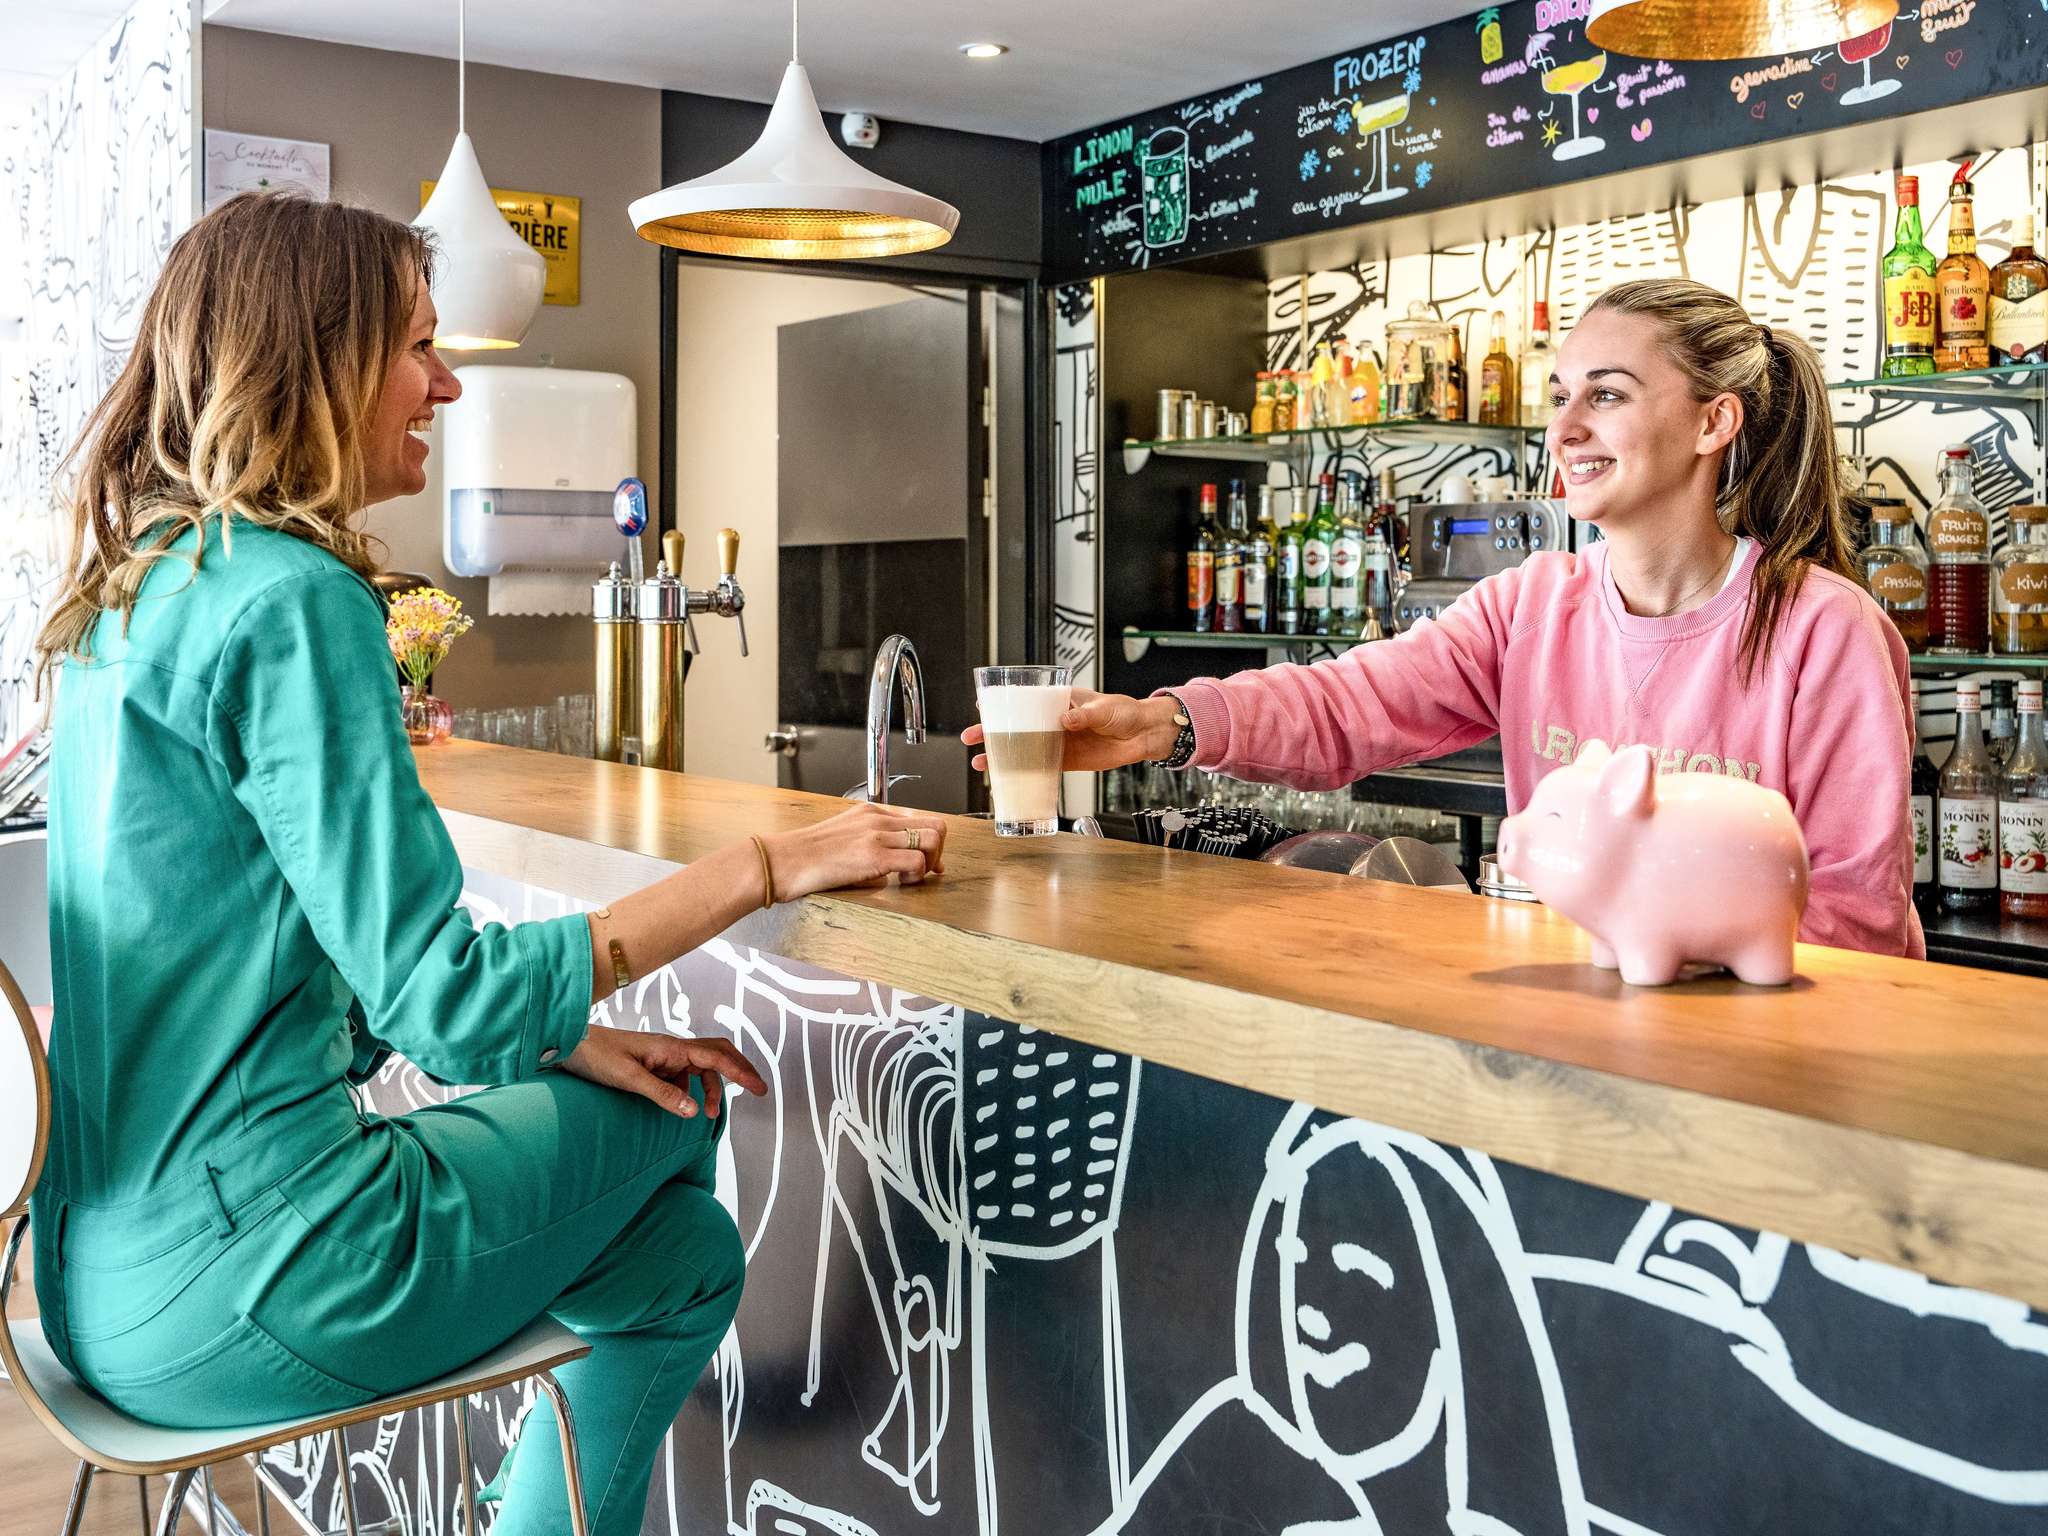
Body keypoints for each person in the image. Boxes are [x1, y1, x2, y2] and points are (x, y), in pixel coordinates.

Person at [26, 193, 947, 1536]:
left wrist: (567, 1037)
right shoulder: (295, 599)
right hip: (263, 1273)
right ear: (318, 361)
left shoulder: (136, 590)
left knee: (685, 1258)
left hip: (94, 1286)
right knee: (678, 1131)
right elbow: (446, 1009)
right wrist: (767, 865)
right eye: (416, 346)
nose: (446, 383)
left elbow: (294, 957)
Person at [972, 279, 1920, 958]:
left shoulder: (1823, 632)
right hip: (1579, 1039)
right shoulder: (1531, 605)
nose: (1565, 429)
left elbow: (1852, 917)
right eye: (1560, 397)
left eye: (1608, 395)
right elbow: (1348, 703)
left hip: (1775, 1061)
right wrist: (1166, 723)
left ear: (1716, 423)